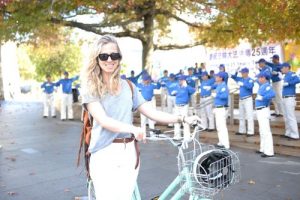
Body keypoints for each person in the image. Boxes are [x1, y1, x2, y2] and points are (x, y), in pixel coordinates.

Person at [80, 35, 200, 200]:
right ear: (97, 59)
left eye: (114, 55)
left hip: (129, 152)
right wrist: (133, 128)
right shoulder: (90, 87)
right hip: (104, 152)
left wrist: (182, 119)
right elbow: (104, 120)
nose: (110, 59)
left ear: (119, 58)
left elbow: (151, 112)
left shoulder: (128, 86)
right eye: (104, 56)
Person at [255, 71, 275, 157]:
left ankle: (269, 151)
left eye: (259, 77)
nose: (258, 79)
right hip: (260, 110)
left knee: (266, 131)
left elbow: (272, 94)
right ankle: (263, 148)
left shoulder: (267, 86)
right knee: (262, 131)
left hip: (263, 109)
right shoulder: (262, 86)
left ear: (263, 78)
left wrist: (263, 97)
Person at [231, 67, 254, 137]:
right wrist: (236, 71)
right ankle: (242, 130)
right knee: (241, 115)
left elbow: (250, 86)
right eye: (241, 72)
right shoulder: (241, 79)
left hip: (248, 99)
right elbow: (233, 77)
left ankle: (250, 131)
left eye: (243, 72)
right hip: (241, 99)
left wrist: (243, 84)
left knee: (249, 115)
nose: (242, 74)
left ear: (246, 73)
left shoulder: (250, 80)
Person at [172, 75, 196, 139]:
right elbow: (172, 92)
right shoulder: (177, 86)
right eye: (179, 80)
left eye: (181, 80)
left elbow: (193, 90)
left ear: (184, 81)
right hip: (177, 105)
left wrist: (186, 86)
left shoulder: (187, 87)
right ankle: (177, 136)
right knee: (176, 121)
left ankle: (187, 137)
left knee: (185, 121)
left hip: (184, 106)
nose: (179, 81)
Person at [280, 62, 300, 140]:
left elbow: (298, 79)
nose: (281, 69)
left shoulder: (292, 74)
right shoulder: (285, 76)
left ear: (286, 67)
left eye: (282, 68)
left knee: (290, 116)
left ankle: (295, 135)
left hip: (290, 98)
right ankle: (288, 133)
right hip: (285, 98)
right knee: (286, 116)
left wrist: (289, 83)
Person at [212, 71, 230, 149]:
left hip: (221, 108)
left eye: (217, 76)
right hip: (217, 107)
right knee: (219, 126)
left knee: (222, 127)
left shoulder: (223, 86)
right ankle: (221, 142)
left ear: (221, 78)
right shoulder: (219, 85)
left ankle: (226, 144)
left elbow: (225, 96)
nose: (216, 77)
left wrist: (217, 95)